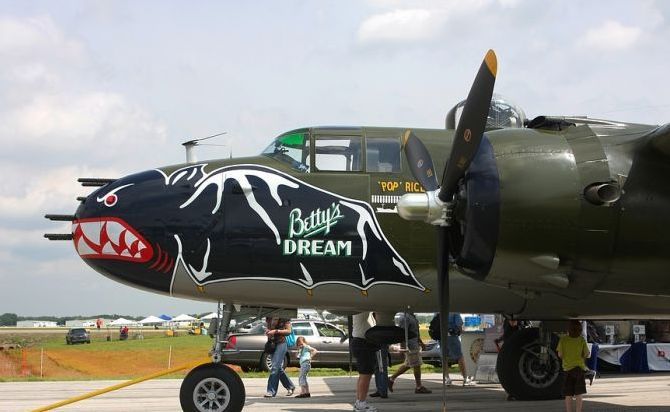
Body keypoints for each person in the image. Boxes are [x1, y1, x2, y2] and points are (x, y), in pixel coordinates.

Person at [388, 311, 432, 394]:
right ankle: (418, 387)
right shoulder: (405, 318)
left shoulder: (412, 317)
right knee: (416, 364)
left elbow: (415, 332)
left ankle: (391, 379)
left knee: (409, 364)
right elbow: (402, 334)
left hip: (414, 344)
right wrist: (403, 348)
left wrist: (421, 342)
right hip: (410, 346)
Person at [557, 320, 591, 412]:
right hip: (579, 370)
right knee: (579, 394)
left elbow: (560, 354)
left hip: (567, 370)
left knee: (568, 394)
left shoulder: (563, 340)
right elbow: (587, 354)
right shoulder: (581, 340)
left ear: (568, 329)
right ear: (580, 330)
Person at [351, 312, 379, 412]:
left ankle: (359, 402)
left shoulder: (367, 313)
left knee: (363, 375)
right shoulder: (362, 310)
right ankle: (361, 403)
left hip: (363, 343)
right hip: (363, 343)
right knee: (366, 375)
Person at [264, 317, 296, 398]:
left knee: (274, 368)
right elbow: (268, 328)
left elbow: (289, 331)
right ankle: (290, 386)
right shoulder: (268, 317)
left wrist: (276, 331)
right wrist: (268, 332)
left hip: (281, 343)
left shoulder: (285, 318)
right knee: (278, 368)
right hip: (272, 344)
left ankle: (271, 391)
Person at [446, 312, 473, 386]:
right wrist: (460, 332)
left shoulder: (438, 312)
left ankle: (447, 378)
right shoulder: (454, 311)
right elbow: (459, 324)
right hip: (452, 337)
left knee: (444, 358)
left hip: (441, 337)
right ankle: (465, 378)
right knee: (460, 357)